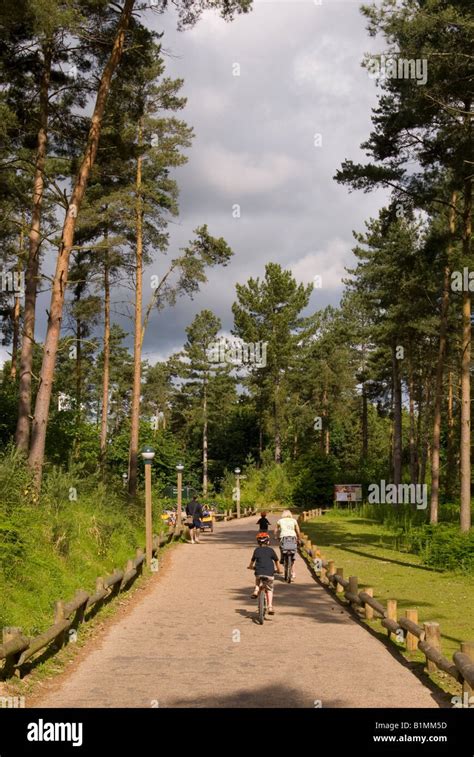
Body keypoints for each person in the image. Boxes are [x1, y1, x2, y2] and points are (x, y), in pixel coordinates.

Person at [247, 532, 282, 615]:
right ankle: (270, 606)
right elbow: (276, 561)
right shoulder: (271, 550)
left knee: (257, 577)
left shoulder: (256, 550)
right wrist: (279, 570)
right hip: (269, 572)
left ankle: (256, 590)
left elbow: (252, 561)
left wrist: (250, 567)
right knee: (269, 589)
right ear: (268, 542)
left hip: (259, 571)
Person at [275, 509, 300, 580]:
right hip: (292, 538)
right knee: (293, 554)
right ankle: (293, 573)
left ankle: (282, 558)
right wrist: (298, 537)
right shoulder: (294, 520)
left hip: (284, 537)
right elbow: (298, 530)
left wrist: (276, 536)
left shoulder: (280, 521)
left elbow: (276, 530)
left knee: (281, 548)